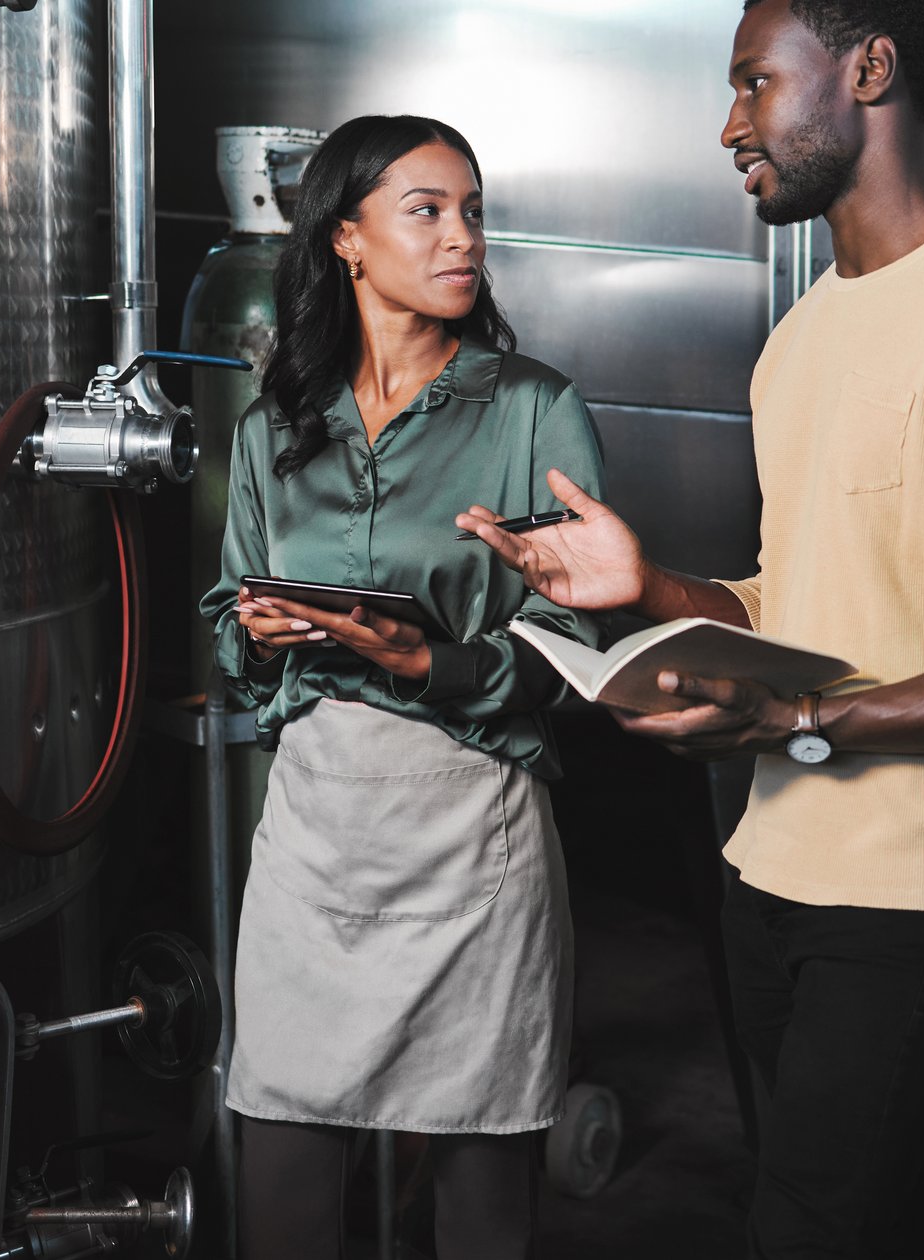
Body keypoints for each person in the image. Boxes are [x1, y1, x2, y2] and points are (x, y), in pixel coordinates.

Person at [457, 1, 924, 1255]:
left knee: (806, 1224)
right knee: (866, 1211)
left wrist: (809, 722)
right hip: (773, 858)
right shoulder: (808, 331)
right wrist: (646, 587)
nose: (729, 125)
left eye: (754, 84)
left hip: (913, 883)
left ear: (867, 70)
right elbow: (799, 604)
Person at [198, 114, 605, 1260]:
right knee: (279, 1184)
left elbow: (577, 640)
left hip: (471, 829)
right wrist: (263, 632)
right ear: (346, 241)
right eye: (424, 211)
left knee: (481, 1194)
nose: (461, 236)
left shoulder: (531, 408)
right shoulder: (279, 418)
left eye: (470, 210)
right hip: (315, 830)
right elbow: (224, 624)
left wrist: (434, 661)